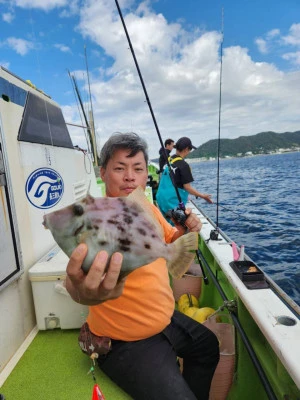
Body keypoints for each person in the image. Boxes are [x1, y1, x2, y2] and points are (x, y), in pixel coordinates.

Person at [66, 132, 219, 400]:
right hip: (125, 342)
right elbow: (76, 280)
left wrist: (185, 229)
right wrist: (80, 291)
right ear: (102, 173)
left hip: (164, 319)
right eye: (119, 168)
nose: (130, 177)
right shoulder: (98, 220)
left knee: (208, 347)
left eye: (137, 169)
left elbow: (171, 242)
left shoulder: (147, 207)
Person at [156, 136, 213, 220]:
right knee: (176, 228)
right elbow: (187, 187)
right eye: (190, 149)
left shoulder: (169, 159)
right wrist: (203, 196)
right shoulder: (184, 165)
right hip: (171, 203)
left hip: (160, 198)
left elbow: (175, 180)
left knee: (164, 224)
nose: (189, 152)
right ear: (186, 149)